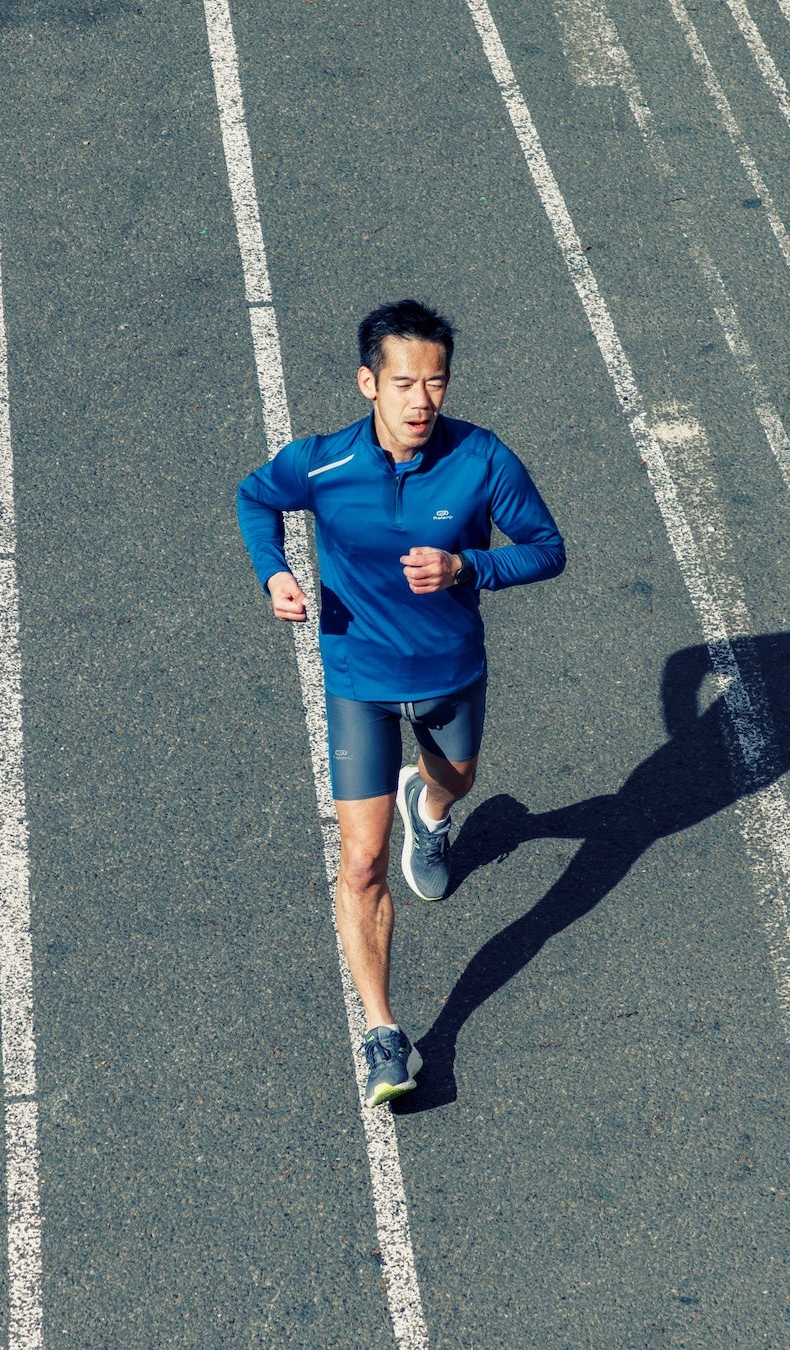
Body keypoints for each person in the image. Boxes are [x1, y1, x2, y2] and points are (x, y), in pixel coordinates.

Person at [237, 300, 567, 1106]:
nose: (423, 400)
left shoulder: (483, 461)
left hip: (451, 672)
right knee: (360, 862)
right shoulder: (320, 466)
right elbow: (254, 499)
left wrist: (469, 571)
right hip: (359, 681)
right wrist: (274, 572)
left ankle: (436, 808)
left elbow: (548, 549)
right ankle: (387, 1035)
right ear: (368, 383)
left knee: (456, 776)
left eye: (437, 382)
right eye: (405, 382)